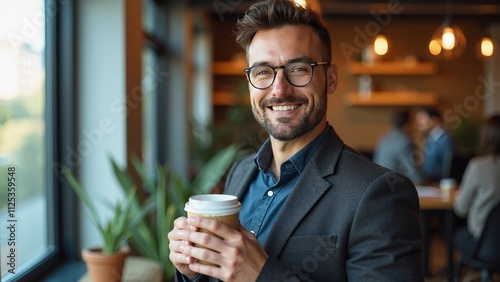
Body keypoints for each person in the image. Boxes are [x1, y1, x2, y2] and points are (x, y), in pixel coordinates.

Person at [168, 1, 424, 281]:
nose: (279, 89)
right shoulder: (241, 172)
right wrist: (194, 270)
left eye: (299, 68)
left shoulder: (381, 193)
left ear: (331, 79)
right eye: (263, 71)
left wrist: (262, 275)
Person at [453, 115, 500, 256]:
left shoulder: (478, 166)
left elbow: (461, 209)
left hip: (483, 242)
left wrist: (458, 195)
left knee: (457, 236)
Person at [373, 110, 423, 185]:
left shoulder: (383, 139)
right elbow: (415, 176)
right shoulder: (405, 142)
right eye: (413, 123)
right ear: (407, 124)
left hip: (380, 185)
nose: (415, 127)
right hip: (396, 187)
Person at [414, 107, 455, 184]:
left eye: (422, 118)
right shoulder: (431, 138)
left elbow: (449, 169)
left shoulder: (446, 140)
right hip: (430, 185)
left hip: (440, 186)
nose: (418, 123)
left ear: (434, 120)